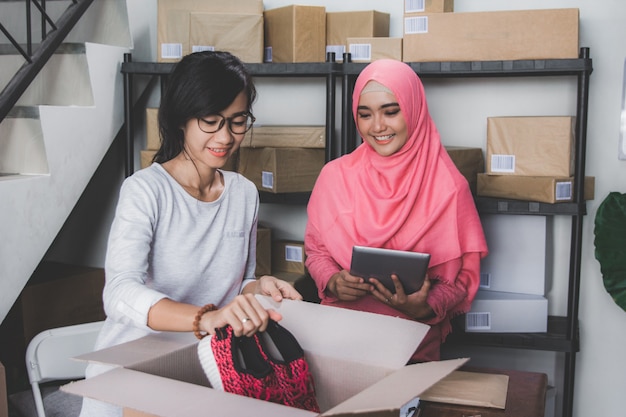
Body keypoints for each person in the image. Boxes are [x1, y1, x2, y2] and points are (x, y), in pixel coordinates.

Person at [79, 51, 302, 417]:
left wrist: (260, 287)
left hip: (204, 369)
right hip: (130, 375)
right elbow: (119, 293)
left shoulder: (243, 193)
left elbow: (237, 282)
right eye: (211, 121)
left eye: (237, 122)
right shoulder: (146, 191)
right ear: (181, 119)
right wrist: (204, 319)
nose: (225, 137)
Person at [304, 59, 488, 363]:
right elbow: (316, 251)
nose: (377, 126)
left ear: (414, 110)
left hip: (409, 347)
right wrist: (334, 281)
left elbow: (461, 278)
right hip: (337, 342)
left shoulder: (449, 187)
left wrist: (425, 307)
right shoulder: (335, 176)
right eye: (365, 115)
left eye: (391, 112)